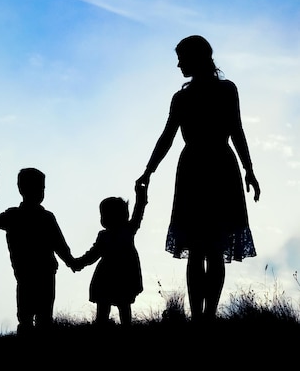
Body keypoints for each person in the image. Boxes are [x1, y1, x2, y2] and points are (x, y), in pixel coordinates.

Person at [136, 35, 261, 323]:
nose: (178, 64)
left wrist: (249, 169)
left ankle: (205, 316)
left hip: (208, 168)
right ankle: (201, 318)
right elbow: (167, 137)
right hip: (207, 168)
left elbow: (236, 130)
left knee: (209, 247)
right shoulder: (184, 97)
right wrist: (148, 171)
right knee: (202, 248)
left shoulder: (220, 91)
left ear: (197, 58)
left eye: (182, 58)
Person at [0, 167, 76, 336]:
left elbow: (59, 245)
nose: (40, 192)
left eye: (42, 188)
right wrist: (72, 262)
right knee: (33, 314)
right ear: (21, 189)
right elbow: (60, 245)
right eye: (39, 188)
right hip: (35, 272)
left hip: (37, 272)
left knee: (36, 314)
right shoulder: (35, 216)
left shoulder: (21, 216)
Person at [71, 183, 148, 327]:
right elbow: (93, 254)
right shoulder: (109, 234)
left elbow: (139, 211)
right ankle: (104, 325)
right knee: (107, 303)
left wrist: (141, 195)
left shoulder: (127, 230)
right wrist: (79, 263)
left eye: (105, 215)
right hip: (110, 274)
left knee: (122, 304)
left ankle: (117, 326)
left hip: (120, 274)